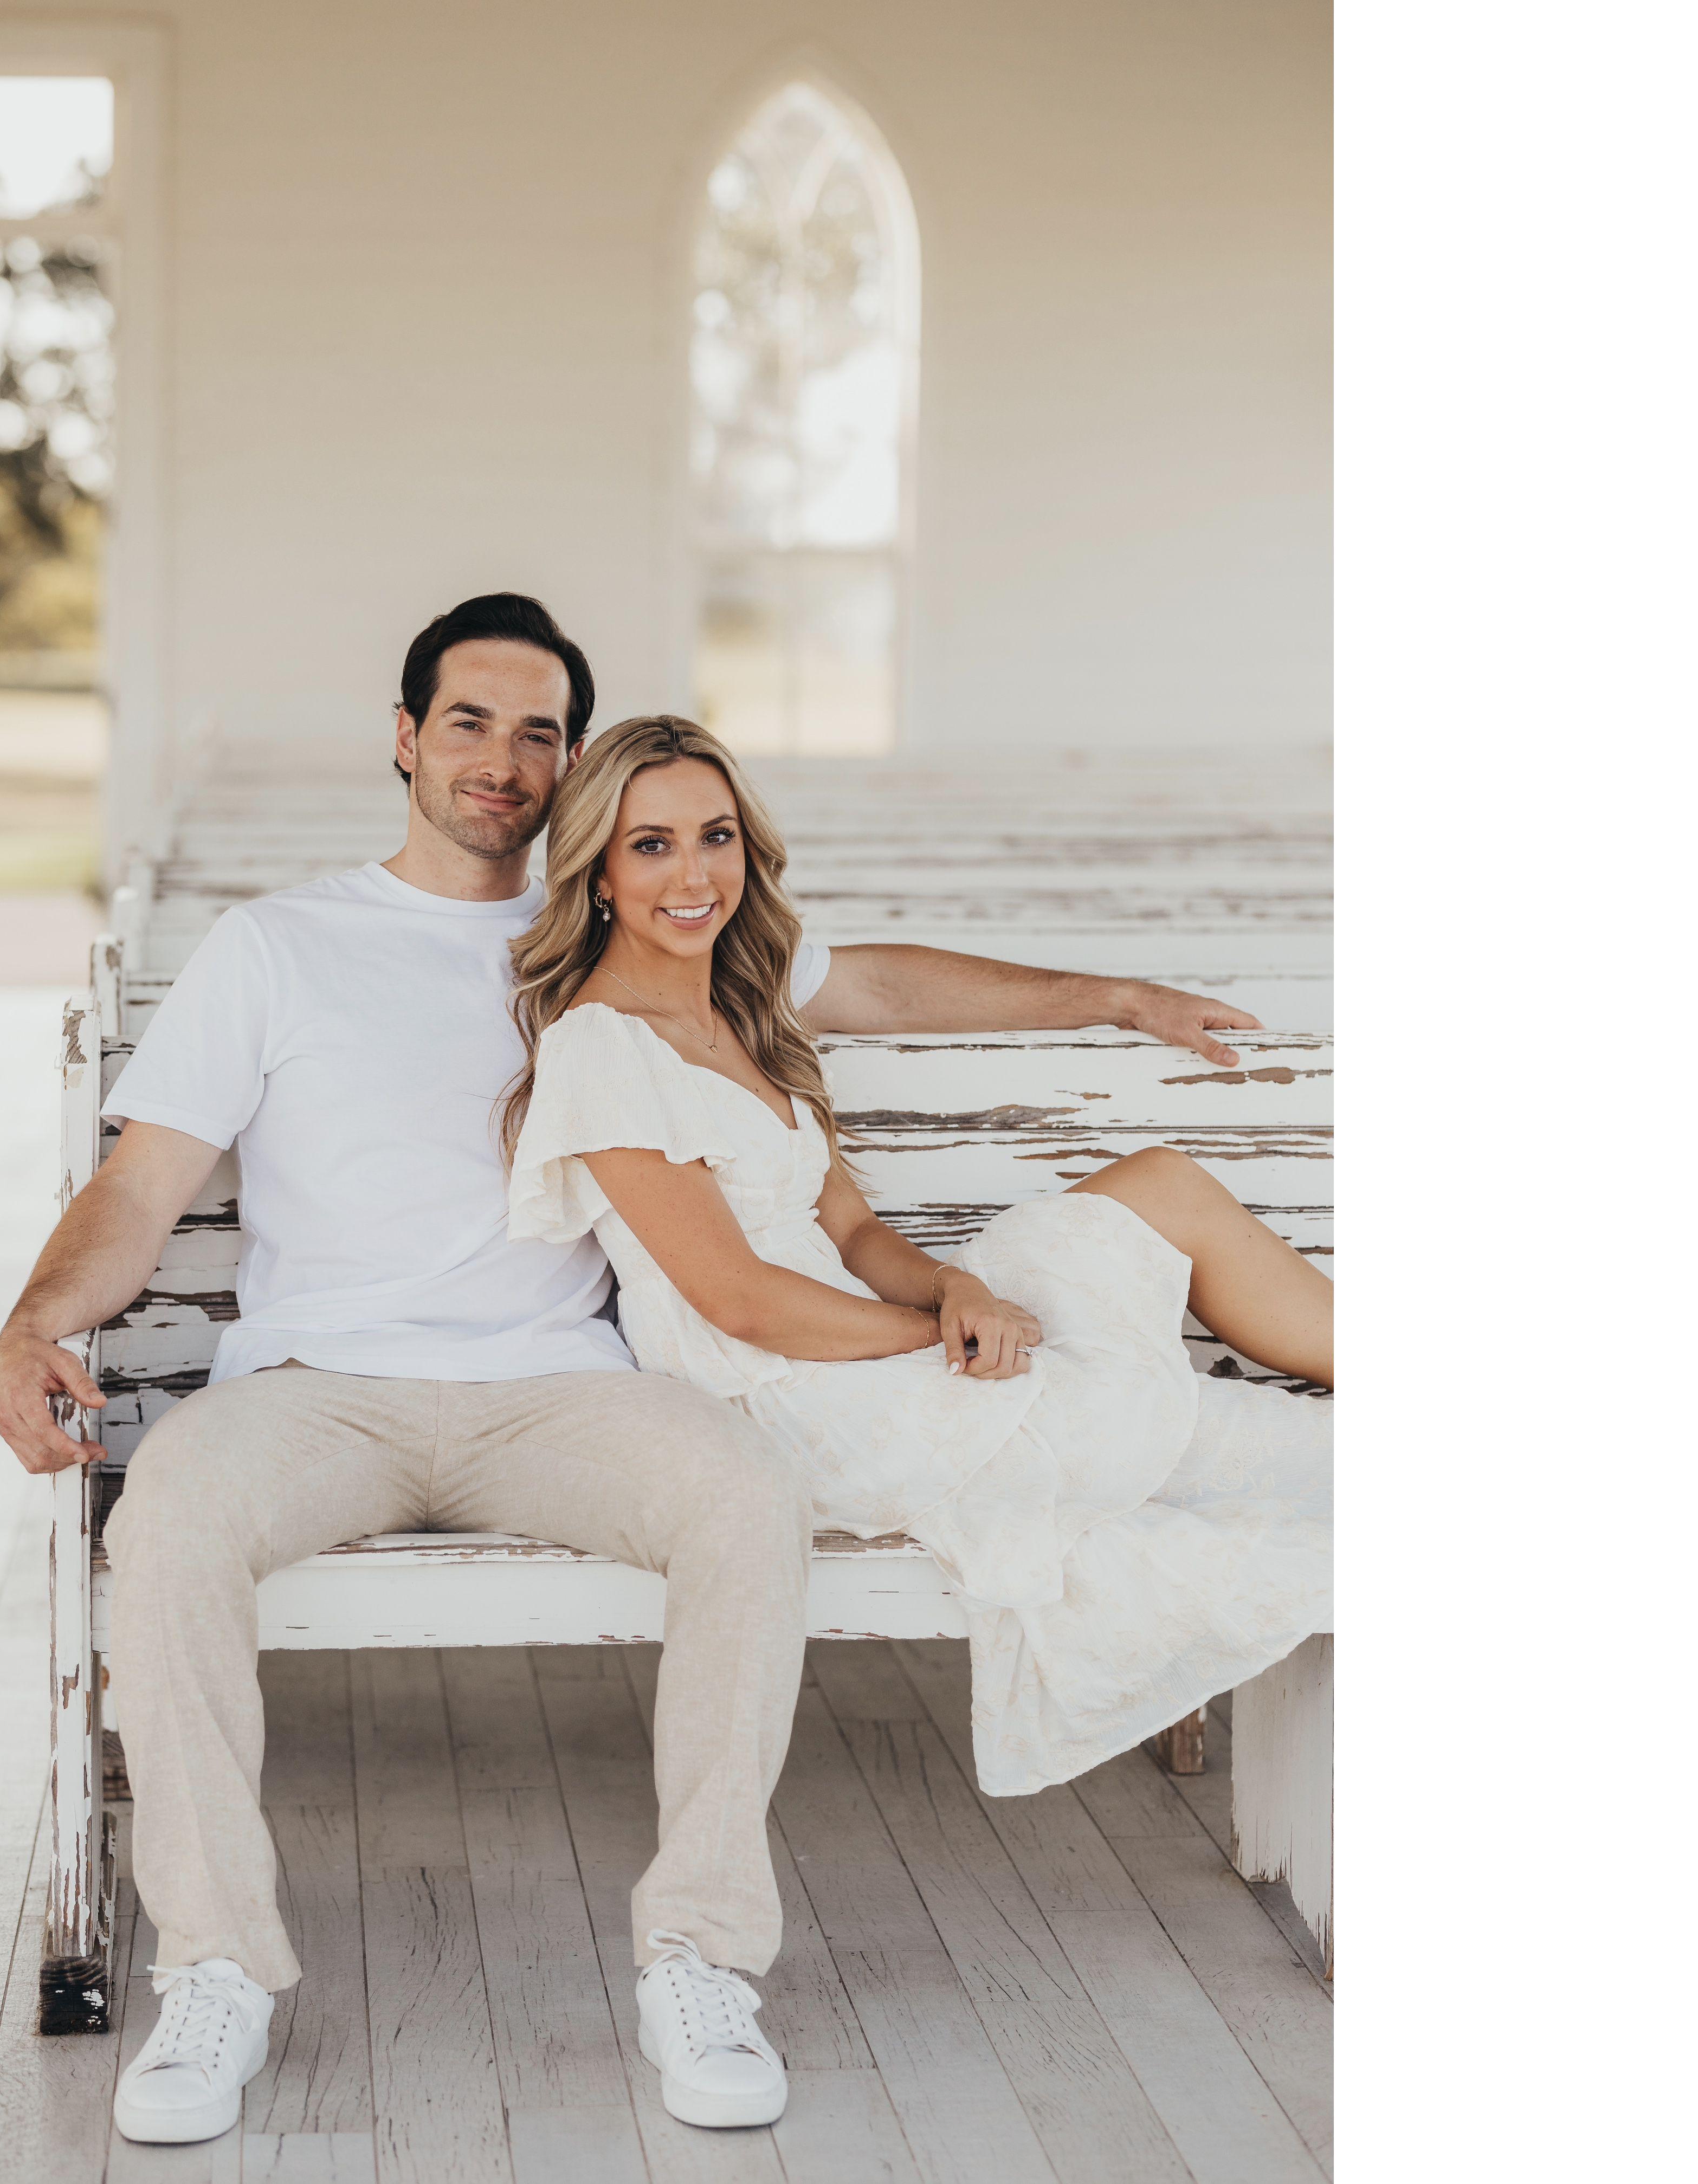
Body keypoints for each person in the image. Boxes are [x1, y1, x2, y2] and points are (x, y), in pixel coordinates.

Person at [0, 595, 1275, 2147]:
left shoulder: (620, 938)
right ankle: (212, 1969)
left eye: (537, 731)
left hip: (561, 1387)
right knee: (170, 1516)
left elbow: (869, 984)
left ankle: (699, 1955)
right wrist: (34, 1318)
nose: (499, 758)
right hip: (320, 1384)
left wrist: (1111, 995)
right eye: (467, 722)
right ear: (404, 738)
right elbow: (140, 1187)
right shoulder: (276, 946)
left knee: (740, 1497)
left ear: (573, 762)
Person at [502, 712, 1332, 1799]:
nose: (693, 874)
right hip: (793, 1397)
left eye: (716, 835)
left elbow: (851, 1232)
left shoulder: (739, 1008)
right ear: (599, 873)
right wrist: (934, 1332)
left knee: (1155, 1186)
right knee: (1287, 1455)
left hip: (868, 1336)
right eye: (650, 844)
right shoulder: (600, 1044)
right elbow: (738, 1299)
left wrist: (954, 1287)